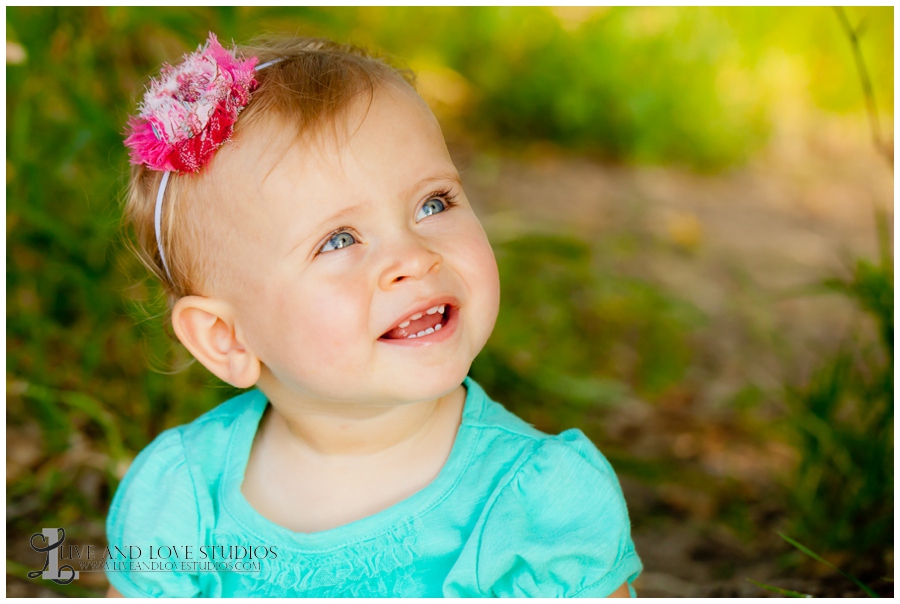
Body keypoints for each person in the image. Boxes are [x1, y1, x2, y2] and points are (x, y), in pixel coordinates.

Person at [106, 33, 642, 598]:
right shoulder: (182, 501)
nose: (413, 255)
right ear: (225, 339)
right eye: (338, 240)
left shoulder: (535, 508)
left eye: (433, 204)